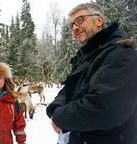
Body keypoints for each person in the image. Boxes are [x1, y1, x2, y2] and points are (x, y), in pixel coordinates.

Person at [46, 2, 137, 144]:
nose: (75, 28)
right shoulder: (84, 57)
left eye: (80, 20)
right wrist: (55, 107)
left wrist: (59, 117)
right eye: (71, 26)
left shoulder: (121, 54)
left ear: (99, 20)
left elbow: (105, 107)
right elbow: (69, 89)